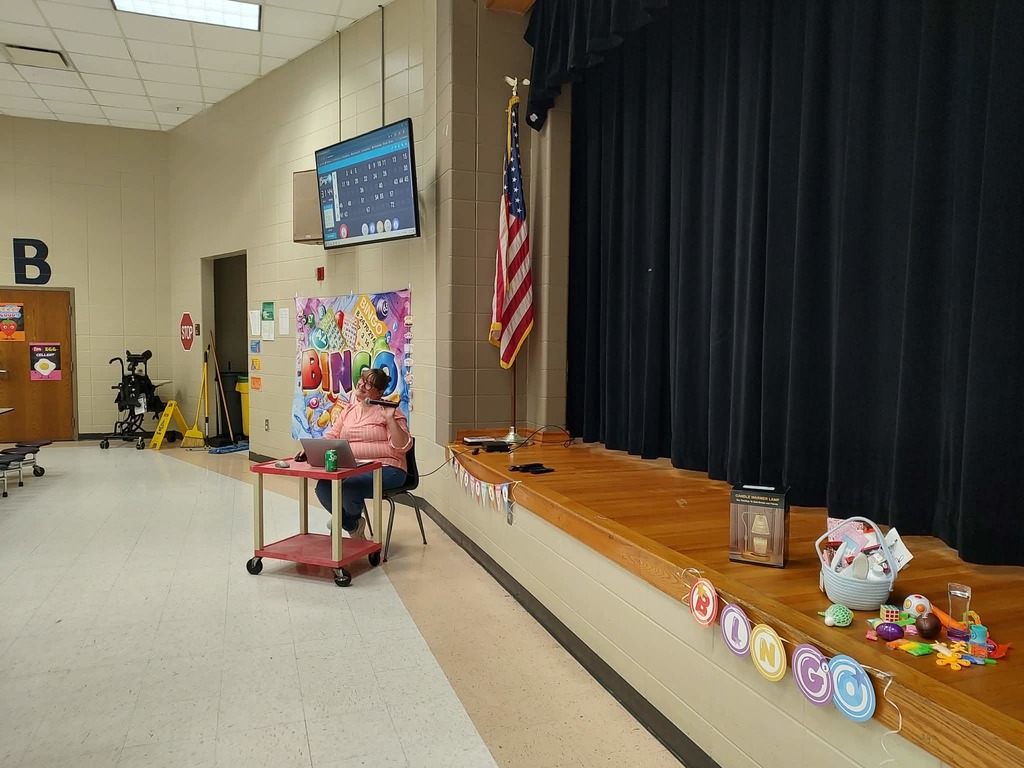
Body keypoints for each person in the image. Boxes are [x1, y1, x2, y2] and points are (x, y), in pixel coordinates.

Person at [312, 368, 411, 538]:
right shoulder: (350, 410)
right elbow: (333, 434)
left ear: (379, 392)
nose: (362, 385)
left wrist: (390, 419)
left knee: (350, 487)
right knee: (323, 487)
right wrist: (312, 450)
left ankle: (344, 520)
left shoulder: (389, 410)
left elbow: (402, 446)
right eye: (362, 380)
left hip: (389, 469)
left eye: (369, 384)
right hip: (354, 467)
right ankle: (352, 524)